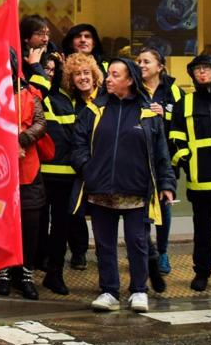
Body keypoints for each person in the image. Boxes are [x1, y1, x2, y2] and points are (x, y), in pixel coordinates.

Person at [74, 58, 175, 312]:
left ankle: (139, 291)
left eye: (115, 75)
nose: (108, 79)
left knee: (137, 243)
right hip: (100, 191)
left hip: (137, 192)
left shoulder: (148, 113)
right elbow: (79, 144)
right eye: (108, 74)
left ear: (130, 80)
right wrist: (89, 169)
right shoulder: (93, 110)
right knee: (105, 245)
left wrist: (166, 183)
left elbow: (160, 152)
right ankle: (109, 291)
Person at [169, 53, 211, 294]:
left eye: (206, 68)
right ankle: (201, 273)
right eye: (197, 69)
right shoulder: (184, 103)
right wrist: (185, 159)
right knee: (202, 233)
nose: (202, 72)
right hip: (200, 180)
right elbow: (175, 136)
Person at [0, 63, 47, 299]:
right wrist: (5, 141)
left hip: (28, 169)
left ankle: (25, 273)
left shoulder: (30, 93)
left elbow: (41, 123)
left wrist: (22, 139)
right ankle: (2, 271)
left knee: (30, 222)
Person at [34, 51, 82, 295]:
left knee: (61, 227)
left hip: (67, 176)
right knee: (37, 225)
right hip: (40, 174)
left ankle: (55, 273)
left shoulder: (69, 99)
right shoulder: (36, 95)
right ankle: (31, 269)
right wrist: (34, 67)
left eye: (53, 70)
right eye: (45, 69)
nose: (49, 74)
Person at [137, 46, 182, 275]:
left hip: (166, 159)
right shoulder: (135, 88)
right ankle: (147, 252)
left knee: (164, 206)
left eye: (146, 62)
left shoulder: (173, 90)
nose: (141, 65)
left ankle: (163, 252)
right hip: (141, 158)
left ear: (160, 67)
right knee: (142, 209)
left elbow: (183, 120)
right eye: (139, 61)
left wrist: (166, 115)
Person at [61, 52, 102, 270]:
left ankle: (105, 255)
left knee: (102, 214)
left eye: (86, 73)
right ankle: (79, 252)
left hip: (104, 167)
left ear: (95, 75)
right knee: (75, 212)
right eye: (77, 74)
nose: (83, 78)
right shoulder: (71, 103)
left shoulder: (107, 98)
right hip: (80, 168)